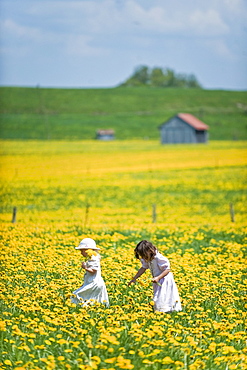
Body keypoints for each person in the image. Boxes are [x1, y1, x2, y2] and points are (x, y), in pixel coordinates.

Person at [128, 240, 182, 313]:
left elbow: (167, 269)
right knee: (159, 295)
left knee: (163, 295)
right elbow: (143, 268)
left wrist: (158, 277)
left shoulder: (158, 258)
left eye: (143, 255)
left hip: (165, 279)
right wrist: (134, 278)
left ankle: (165, 310)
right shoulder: (148, 258)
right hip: (157, 280)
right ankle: (160, 310)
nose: (143, 257)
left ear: (150, 251)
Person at [71, 238, 109, 307]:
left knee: (75, 295)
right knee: (92, 300)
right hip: (92, 282)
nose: (81, 253)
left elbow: (94, 271)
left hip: (94, 284)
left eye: (82, 251)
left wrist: (85, 267)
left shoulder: (93, 258)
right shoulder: (92, 257)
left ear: (87, 251)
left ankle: (79, 308)